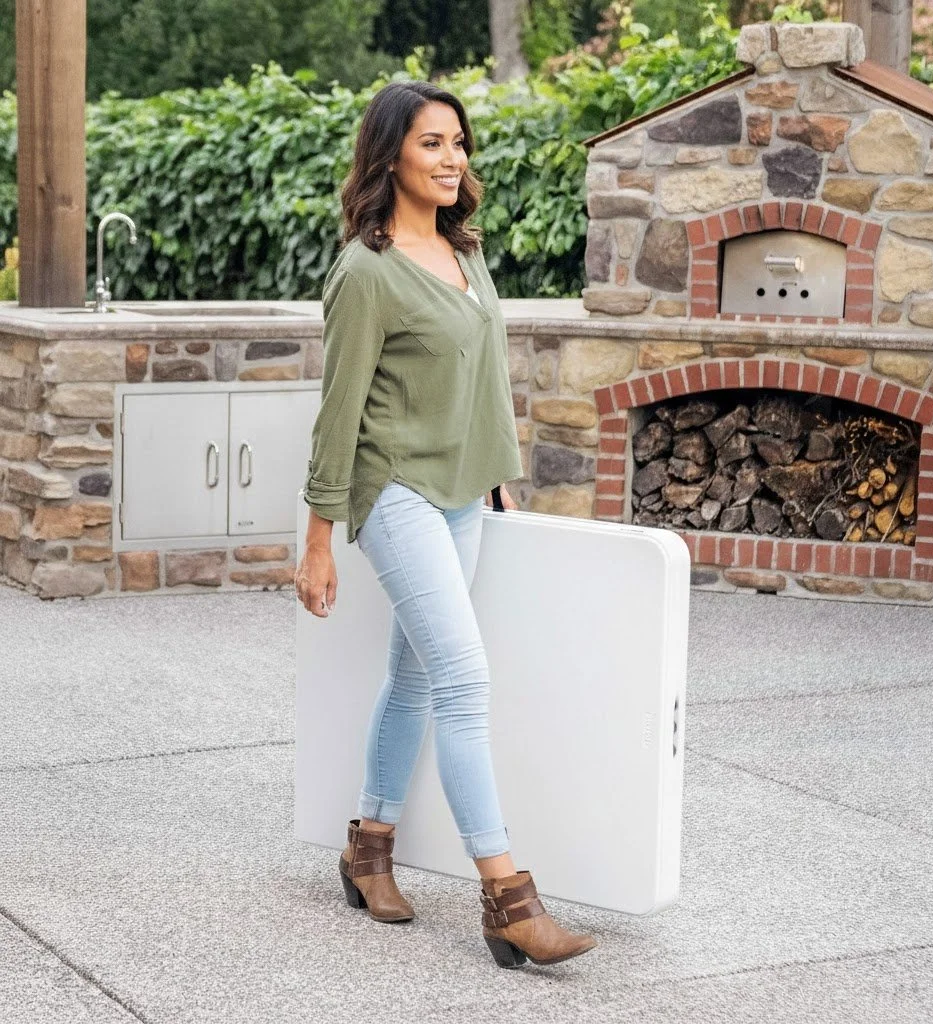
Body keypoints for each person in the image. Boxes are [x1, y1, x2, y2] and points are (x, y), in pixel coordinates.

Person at [294, 80, 596, 970]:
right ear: (390, 155)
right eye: (433, 143)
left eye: (459, 143)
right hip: (393, 490)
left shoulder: (466, 252)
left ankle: (369, 848)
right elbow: (337, 411)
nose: (453, 158)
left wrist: (497, 473)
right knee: (464, 678)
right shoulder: (366, 271)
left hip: (464, 489)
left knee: (418, 677)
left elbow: (486, 376)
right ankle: (508, 898)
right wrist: (318, 541)